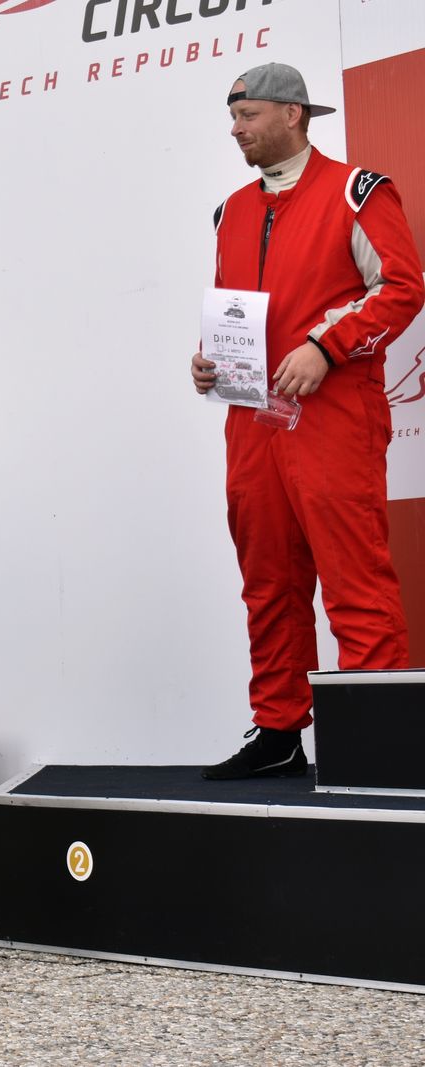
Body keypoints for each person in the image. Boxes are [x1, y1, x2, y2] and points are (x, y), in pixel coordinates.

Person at [190, 63, 423, 780]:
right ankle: (279, 729)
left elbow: (403, 287)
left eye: (248, 116)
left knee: (355, 580)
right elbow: (238, 310)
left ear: (293, 114)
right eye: (233, 118)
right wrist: (210, 361)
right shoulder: (230, 211)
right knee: (268, 582)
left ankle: (377, 742)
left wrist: (327, 346)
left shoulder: (358, 191)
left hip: (334, 417)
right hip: (251, 421)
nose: (236, 130)